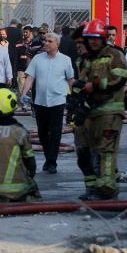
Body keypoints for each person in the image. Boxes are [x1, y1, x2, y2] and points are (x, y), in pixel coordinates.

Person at [72, 19, 127, 200]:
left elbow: (120, 78)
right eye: (90, 38)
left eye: (96, 38)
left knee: (106, 151)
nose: (93, 41)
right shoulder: (88, 59)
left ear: (103, 38)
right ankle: (102, 187)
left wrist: (95, 85)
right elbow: (82, 84)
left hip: (111, 112)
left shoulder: (114, 54)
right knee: (92, 153)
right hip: (92, 113)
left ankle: (107, 191)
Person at [20, 32, 75, 174]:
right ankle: (48, 157)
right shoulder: (37, 59)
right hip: (40, 101)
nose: (46, 43)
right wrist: (24, 93)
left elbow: (70, 80)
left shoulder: (65, 60)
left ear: (57, 44)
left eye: (50, 41)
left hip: (58, 101)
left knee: (55, 132)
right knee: (43, 132)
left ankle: (51, 162)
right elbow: (30, 78)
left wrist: (75, 98)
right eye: (45, 41)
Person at [0, 88, 40, 202]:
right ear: (12, 105)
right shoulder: (19, 132)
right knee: (35, 198)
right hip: (17, 190)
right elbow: (31, 165)